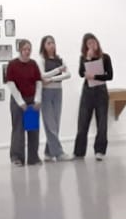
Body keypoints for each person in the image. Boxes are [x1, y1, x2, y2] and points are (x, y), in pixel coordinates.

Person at [73, 33, 113, 161]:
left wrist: (95, 76)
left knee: (102, 123)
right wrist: (88, 59)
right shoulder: (83, 57)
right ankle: (79, 152)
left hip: (101, 90)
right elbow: (81, 73)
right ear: (85, 46)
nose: (92, 45)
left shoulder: (105, 57)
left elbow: (109, 76)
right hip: (87, 91)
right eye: (89, 43)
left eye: (93, 42)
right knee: (83, 122)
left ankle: (100, 150)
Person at [5, 38, 43, 167]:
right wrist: (20, 102)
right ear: (20, 50)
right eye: (25, 49)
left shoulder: (33, 64)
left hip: (31, 100)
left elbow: (38, 82)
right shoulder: (12, 65)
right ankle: (17, 157)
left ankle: (33, 157)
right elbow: (11, 84)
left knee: (32, 129)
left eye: (29, 49)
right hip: (18, 101)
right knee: (18, 129)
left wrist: (37, 99)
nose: (27, 51)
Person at [37, 35, 69, 161]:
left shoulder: (59, 59)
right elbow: (42, 75)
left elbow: (68, 74)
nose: (52, 45)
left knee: (56, 123)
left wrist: (51, 79)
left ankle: (48, 152)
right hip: (46, 92)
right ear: (44, 46)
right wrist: (58, 70)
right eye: (49, 43)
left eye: (53, 43)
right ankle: (58, 153)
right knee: (50, 123)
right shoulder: (41, 60)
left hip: (58, 91)